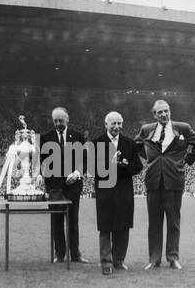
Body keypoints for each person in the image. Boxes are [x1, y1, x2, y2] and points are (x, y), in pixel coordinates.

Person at [136, 100, 195, 270]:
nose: (164, 114)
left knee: (173, 222)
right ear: (154, 114)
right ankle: (154, 259)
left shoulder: (183, 128)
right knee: (154, 222)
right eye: (160, 112)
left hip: (174, 180)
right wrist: (149, 158)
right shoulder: (146, 130)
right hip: (153, 181)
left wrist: (186, 161)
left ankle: (173, 257)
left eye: (166, 111)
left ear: (170, 111)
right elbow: (136, 145)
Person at [93, 112, 143, 276]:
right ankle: (106, 263)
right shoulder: (96, 143)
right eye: (113, 123)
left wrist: (125, 166)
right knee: (106, 228)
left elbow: (138, 167)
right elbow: (92, 168)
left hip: (124, 193)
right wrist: (110, 165)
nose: (116, 127)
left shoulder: (129, 143)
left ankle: (119, 260)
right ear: (106, 124)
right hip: (105, 192)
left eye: (119, 123)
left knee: (123, 227)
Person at [40, 107, 89, 264]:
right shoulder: (46, 137)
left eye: (61, 120)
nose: (58, 123)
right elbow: (41, 161)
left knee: (73, 221)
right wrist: (41, 175)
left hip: (73, 186)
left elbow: (85, 160)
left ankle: (75, 254)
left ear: (67, 119)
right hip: (54, 187)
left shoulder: (78, 136)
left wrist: (76, 173)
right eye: (55, 121)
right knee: (56, 221)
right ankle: (59, 254)